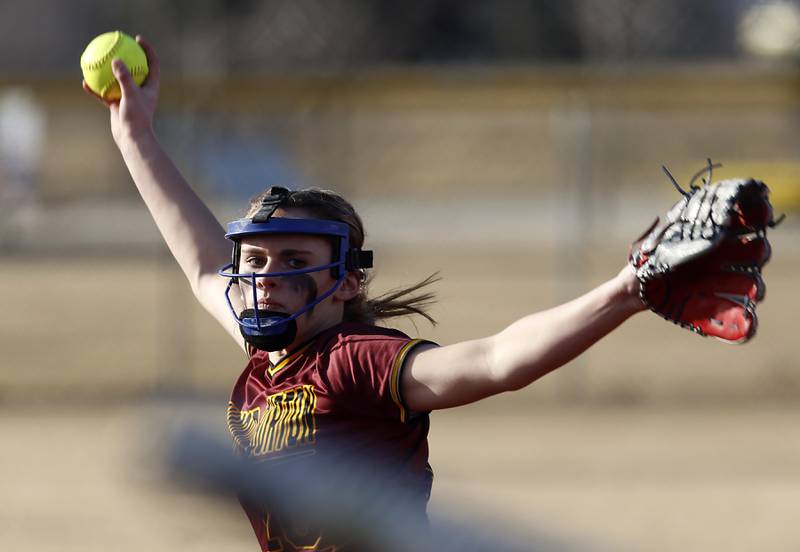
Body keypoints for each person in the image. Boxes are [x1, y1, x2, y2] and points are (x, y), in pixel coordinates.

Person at [85, 36, 647, 552]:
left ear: (347, 281)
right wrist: (135, 135)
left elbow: (497, 359)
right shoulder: (267, 360)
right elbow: (204, 264)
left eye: (295, 260)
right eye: (254, 260)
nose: (266, 276)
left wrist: (625, 291)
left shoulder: (356, 358)